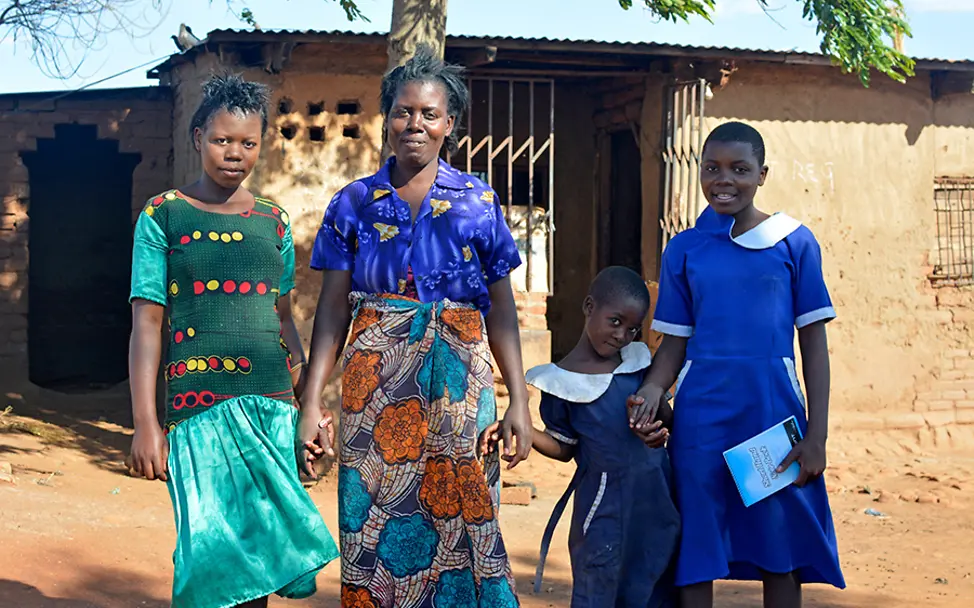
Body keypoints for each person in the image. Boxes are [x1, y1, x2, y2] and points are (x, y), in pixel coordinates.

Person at [302, 46, 531, 607]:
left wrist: (521, 401)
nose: (415, 124)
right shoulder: (352, 203)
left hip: (461, 381)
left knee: (465, 507)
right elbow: (333, 311)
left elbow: (502, 309)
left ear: (449, 124)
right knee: (373, 515)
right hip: (373, 381)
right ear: (387, 121)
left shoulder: (478, 201)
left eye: (430, 114)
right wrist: (310, 400)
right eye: (404, 112)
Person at [127, 74, 339, 608]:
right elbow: (147, 326)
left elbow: (283, 320)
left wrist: (305, 408)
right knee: (211, 563)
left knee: (258, 569)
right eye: (222, 140)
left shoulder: (274, 221)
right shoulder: (163, 215)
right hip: (197, 413)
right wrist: (146, 423)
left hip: (269, 408)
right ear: (198, 137)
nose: (234, 154)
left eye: (248, 143)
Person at [628, 121, 846, 608]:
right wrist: (652, 391)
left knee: (779, 541)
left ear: (762, 174)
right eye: (712, 168)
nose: (724, 179)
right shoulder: (685, 249)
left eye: (739, 169)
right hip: (702, 416)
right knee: (698, 540)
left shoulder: (794, 242)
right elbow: (674, 344)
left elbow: (813, 345)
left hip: (771, 412)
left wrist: (817, 436)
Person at [524, 266, 679, 607]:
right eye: (615, 321)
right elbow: (564, 448)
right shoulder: (559, 383)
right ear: (589, 306)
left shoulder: (638, 365)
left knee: (655, 577)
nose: (622, 335)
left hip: (655, 498)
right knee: (600, 580)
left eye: (633, 329)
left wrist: (656, 426)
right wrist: (527, 433)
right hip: (602, 506)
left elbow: (666, 417)